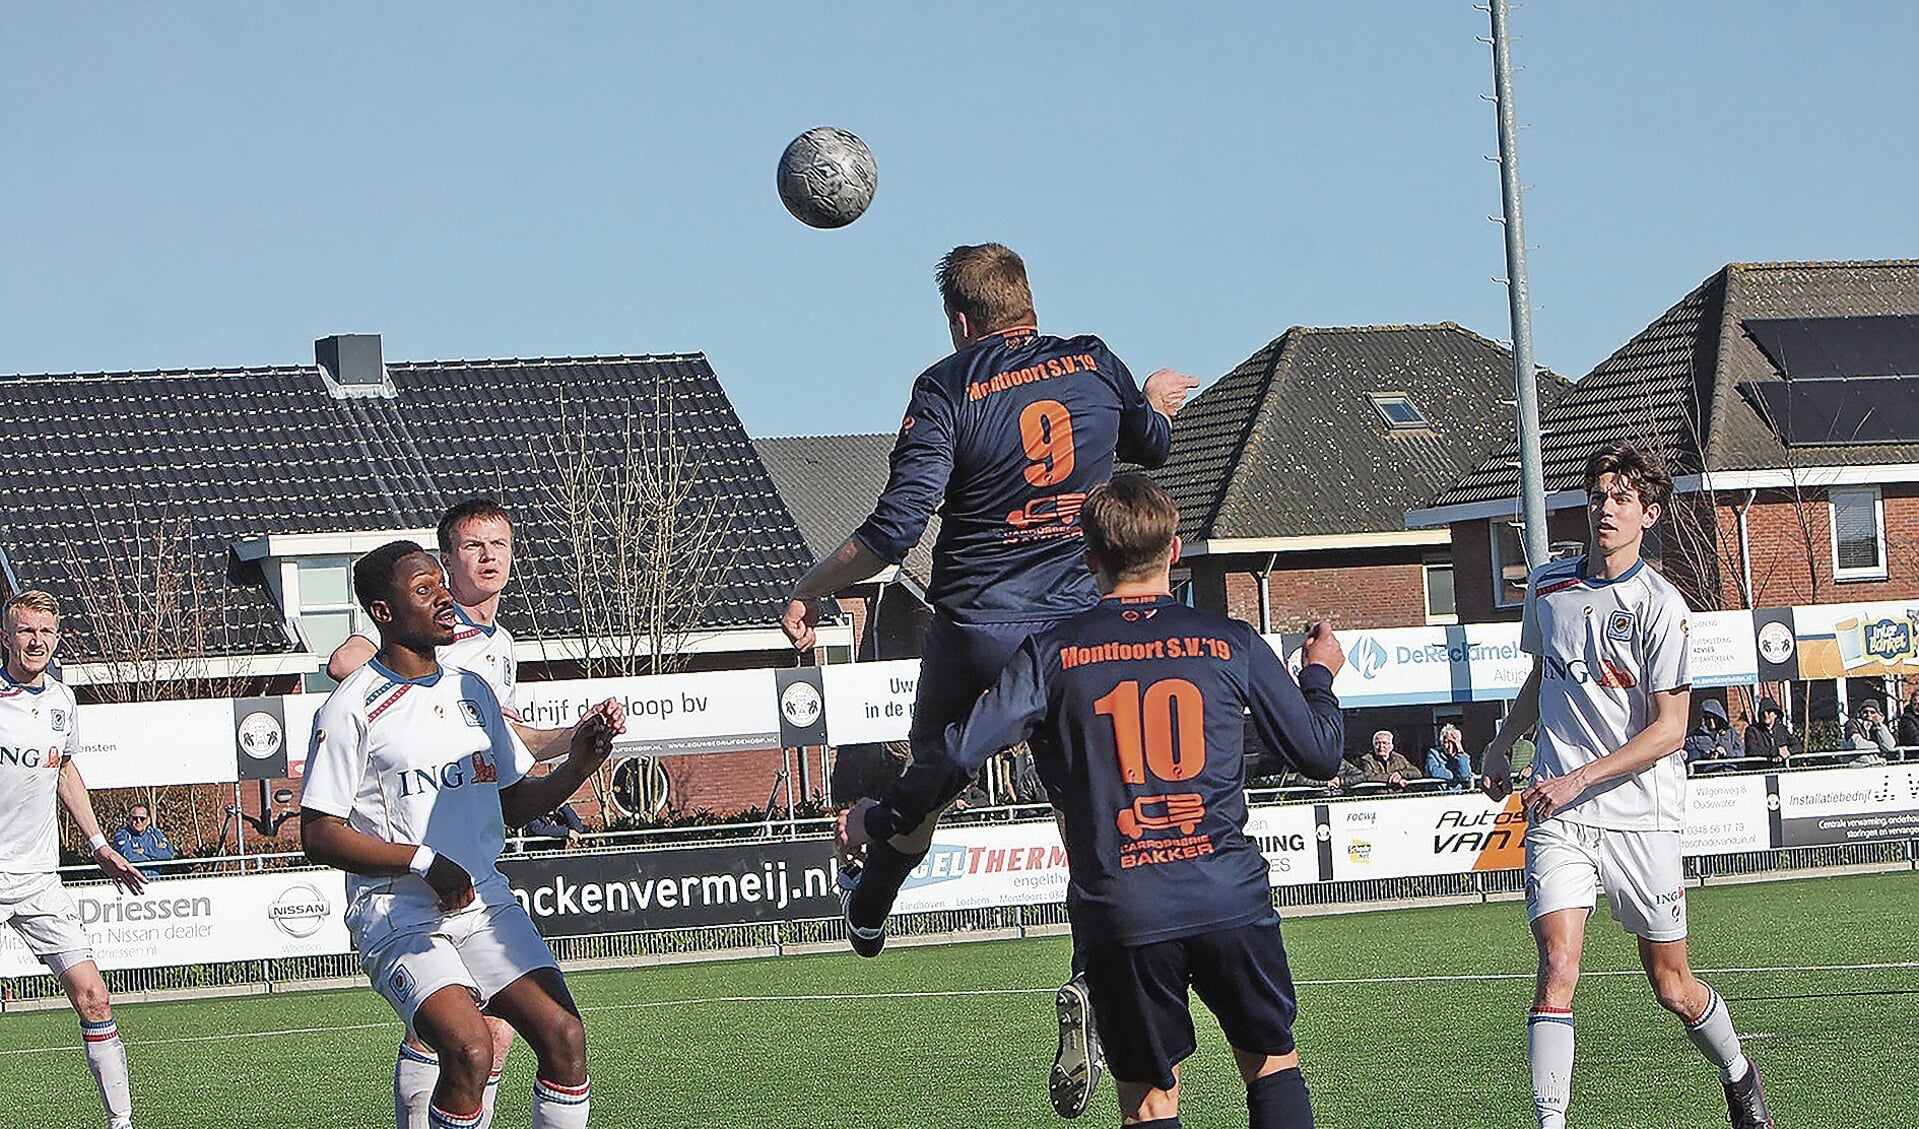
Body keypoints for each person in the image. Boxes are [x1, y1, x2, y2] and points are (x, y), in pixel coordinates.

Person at [778, 243, 1198, 1116]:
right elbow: (1148, 447)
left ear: (960, 322)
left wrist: (811, 587)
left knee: (929, 778)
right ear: (1028, 304)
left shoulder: (947, 384)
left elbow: (896, 528)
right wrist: (1152, 402)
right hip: (1077, 634)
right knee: (1091, 817)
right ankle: (1090, 969)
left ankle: (871, 903)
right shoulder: (1092, 360)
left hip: (974, 631)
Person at [840, 477, 1344, 1128]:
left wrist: (877, 818)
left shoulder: (1052, 654)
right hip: (1225, 894)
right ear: (1176, 550)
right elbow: (1321, 754)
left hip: (1122, 907)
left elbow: (959, 757)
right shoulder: (1228, 641)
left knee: (1151, 1103)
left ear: (1087, 558)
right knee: (1271, 1065)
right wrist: (1319, 674)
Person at [1479, 443, 1773, 1129]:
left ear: (1648, 511)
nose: (1604, 506)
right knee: (1557, 964)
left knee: (1671, 984)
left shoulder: (1660, 605)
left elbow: (1670, 729)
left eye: (1620, 497)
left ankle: (1737, 1072)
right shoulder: (1547, 588)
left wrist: (1581, 776)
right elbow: (1539, 675)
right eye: (1596, 493)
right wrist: (1501, 740)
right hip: (1560, 816)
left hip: (1641, 816)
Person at [302, 541, 626, 1129]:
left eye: (441, 585)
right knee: (470, 1050)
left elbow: (511, 804)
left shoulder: (472, 691)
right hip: (397, 912)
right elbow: (319, 834)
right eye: (423, 591)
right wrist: (423, 860)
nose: (444, 599)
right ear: (382, 611)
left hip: (483, 901)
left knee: (564, 1037)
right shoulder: (350, 708)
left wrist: (580, 763)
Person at [0, 590, 147, 1129]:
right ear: (6, 638)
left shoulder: (62, 700)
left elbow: (65, 771)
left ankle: (120, 1123)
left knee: (95, 996)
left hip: (39, 878)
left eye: (45, 631)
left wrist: (100, 843)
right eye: (25, 631)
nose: (36, 641)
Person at [110, 803, 177, 880]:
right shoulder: (121, 835)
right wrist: (154, 856)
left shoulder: (155, 834)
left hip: (155, 879)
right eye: (135, 818)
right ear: (129, 819)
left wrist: (143, 850)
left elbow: (168, 854)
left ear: (148, 820)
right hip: (130, 880)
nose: (138, 821)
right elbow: (129, 857)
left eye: (142, 818)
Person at [1343, 730, 1419, 790]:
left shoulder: (1399, 758)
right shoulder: (1366, 759)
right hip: (1376, 798)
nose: (1381, 747)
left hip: (1398, 797)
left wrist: (1400, 774)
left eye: (1385, 743)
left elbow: (1417, 772)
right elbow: (1368, 776)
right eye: (1377, 743)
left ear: (1392, 746)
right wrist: (1393, 778)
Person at [1682, 700, 1742, 769]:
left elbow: (1741, 752)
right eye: (1707, 718)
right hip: (1708, 774)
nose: (1711, 721)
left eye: (1714, 718)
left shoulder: (1730, 732)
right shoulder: (1694, 736)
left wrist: (1726, 753)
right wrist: (1707, 755)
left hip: (1731, 772)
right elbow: (1691, 754)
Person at [1742, 697, 1801, 767]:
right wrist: (1776, 751)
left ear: (1775, 714)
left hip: (1780, 769)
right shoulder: (1752, 730)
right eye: (1763, 713)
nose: (1766, 715)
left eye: (1769, 712)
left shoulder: (1781, 729)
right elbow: (1752, 750)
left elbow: (1798, 746)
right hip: (1760, 771)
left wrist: (1787, 752)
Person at [1424, 724, 1475, 791]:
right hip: (1438, 794)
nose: (1449, 746)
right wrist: (1455, 775)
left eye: (1452, 742)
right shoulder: (1433, 753)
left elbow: (1464, 775)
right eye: (1446, 742)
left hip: (1456, 794)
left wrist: (1460, 751)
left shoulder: (1463, 757)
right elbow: (1434, 772)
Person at [522, 803, 587, 850]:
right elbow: (538, 829)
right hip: (536, 856)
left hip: (556, 855)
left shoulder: (560, 813)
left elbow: (579, 828)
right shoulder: (533, 812)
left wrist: (564, 807)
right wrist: (567, 832)